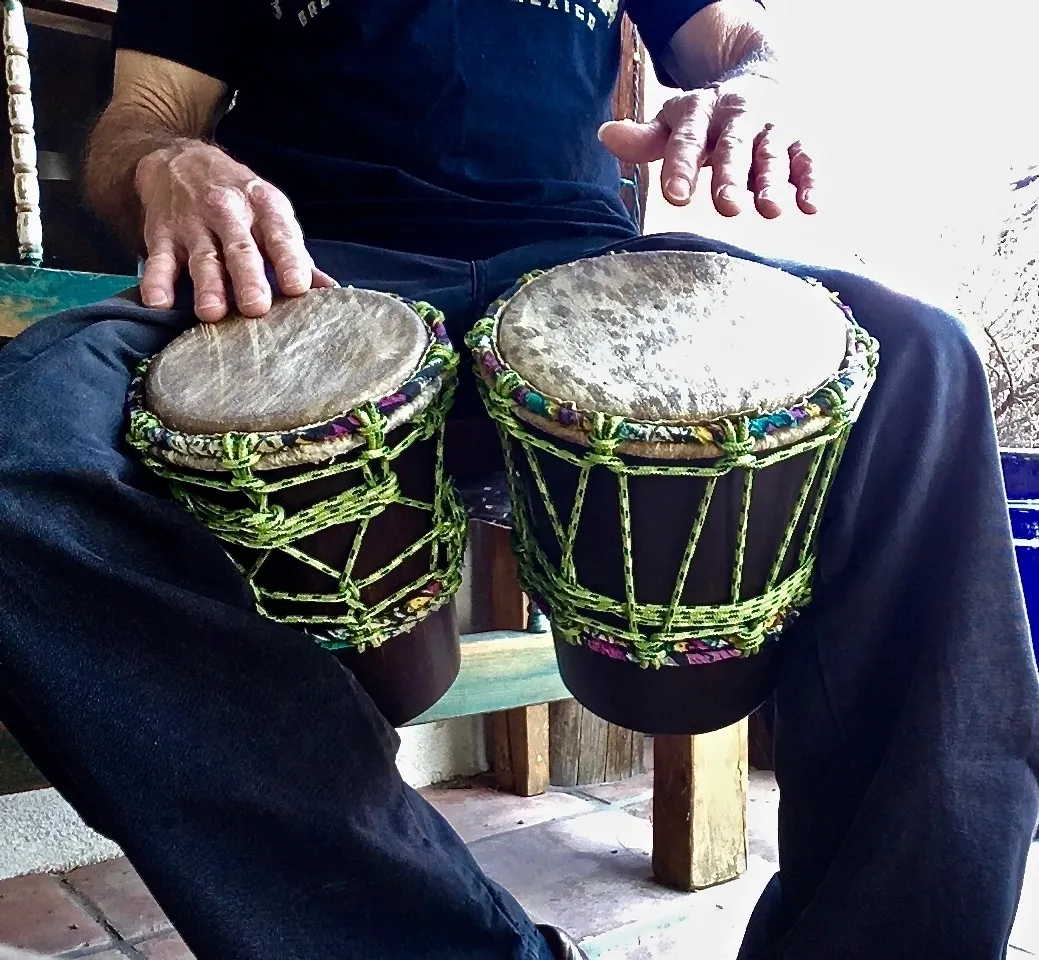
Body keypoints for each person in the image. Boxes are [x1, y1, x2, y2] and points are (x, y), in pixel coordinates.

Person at [0, 0, 1035, 957]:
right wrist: (168, 162)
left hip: (576, 270)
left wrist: (756, 90)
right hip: (304, 283)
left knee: (922, 359)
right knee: (18, 444)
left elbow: (736, 40)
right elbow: (142, 115)